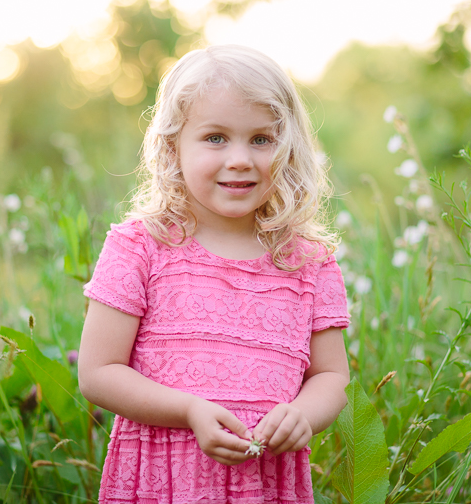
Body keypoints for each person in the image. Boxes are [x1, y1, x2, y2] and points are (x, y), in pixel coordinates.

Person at [78, 44, 350, 503]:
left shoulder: (308, 263)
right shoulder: (140, 247)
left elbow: (332, 377)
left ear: (288, 149)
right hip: (164, 482)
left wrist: (302, 414)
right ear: (172, 146)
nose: (240, 158)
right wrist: (189, 411)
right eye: (216, 138)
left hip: (266, 481)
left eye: (261, 139)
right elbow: (98, 371)